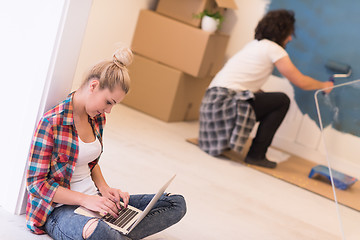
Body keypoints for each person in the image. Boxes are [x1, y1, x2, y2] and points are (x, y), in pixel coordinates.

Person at [26, 46, 186, 239]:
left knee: (175, 204)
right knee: (101, 231)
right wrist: (86, 200)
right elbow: (36, 185)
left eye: (113, 105)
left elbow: (89, 162)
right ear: (93, 86)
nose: (108, 110)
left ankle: (114, 232)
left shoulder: (97, 118)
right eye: (108, 102)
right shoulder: (52, 122)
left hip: (97, 201)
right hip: (62, 211)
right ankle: (110, 232)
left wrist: (105, 189)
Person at [198, 9, 333, 169]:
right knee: (282, 100)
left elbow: (243, 86)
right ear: (281, 31)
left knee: (266, 98)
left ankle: (236, 144)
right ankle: (256, 155)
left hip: (211, 107)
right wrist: (324, 85)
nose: (290, 38)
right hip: (224, 105)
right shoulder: (274, 49)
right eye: (289, 33)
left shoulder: (254, 45)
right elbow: (301, 81)